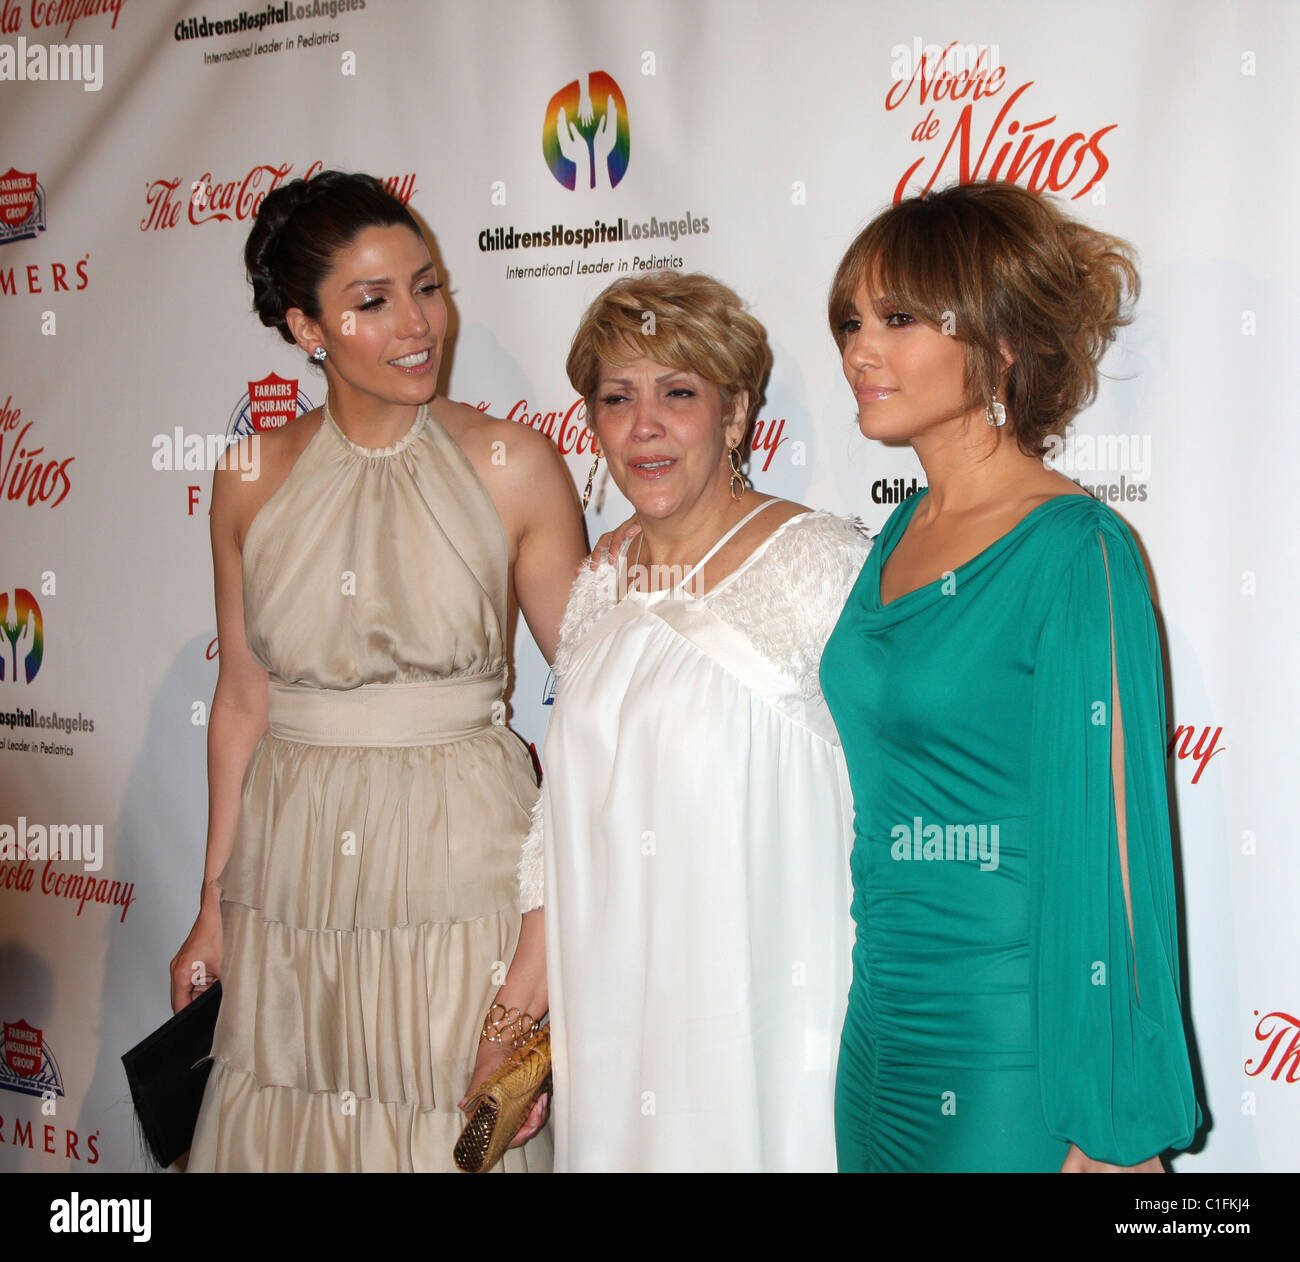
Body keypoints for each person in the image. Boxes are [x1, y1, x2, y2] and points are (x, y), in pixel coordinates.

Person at [167, 170, 586, 1171]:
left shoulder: (513, 462)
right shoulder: (248, 474)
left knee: (451, 1117)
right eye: (373, 300)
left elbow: (596, 705)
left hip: (461, 852)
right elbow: (242, 697)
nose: (417, 323)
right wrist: (214, 898)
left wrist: (546, 929)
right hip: (294, 854)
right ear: (306, 327)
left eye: (427, 285)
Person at [821, 181, 1201, 1172]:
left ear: (995, 344)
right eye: (850, 319)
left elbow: (1117, 840)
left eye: (898, 318)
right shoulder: (899, 531)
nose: (860, 348)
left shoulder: (1076, 549)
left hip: (1009, 1053)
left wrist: (1113, 1119)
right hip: (878, 1031)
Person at [471, 271, 869, 1172]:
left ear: (735, 417)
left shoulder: (820, 565)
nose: (643, 426)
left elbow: (887, 805)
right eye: (617, 398)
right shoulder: (599, 586)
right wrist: (513, 1019)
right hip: (611, 1017)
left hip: (767, 1018)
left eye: (677, 394)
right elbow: (557, 831)